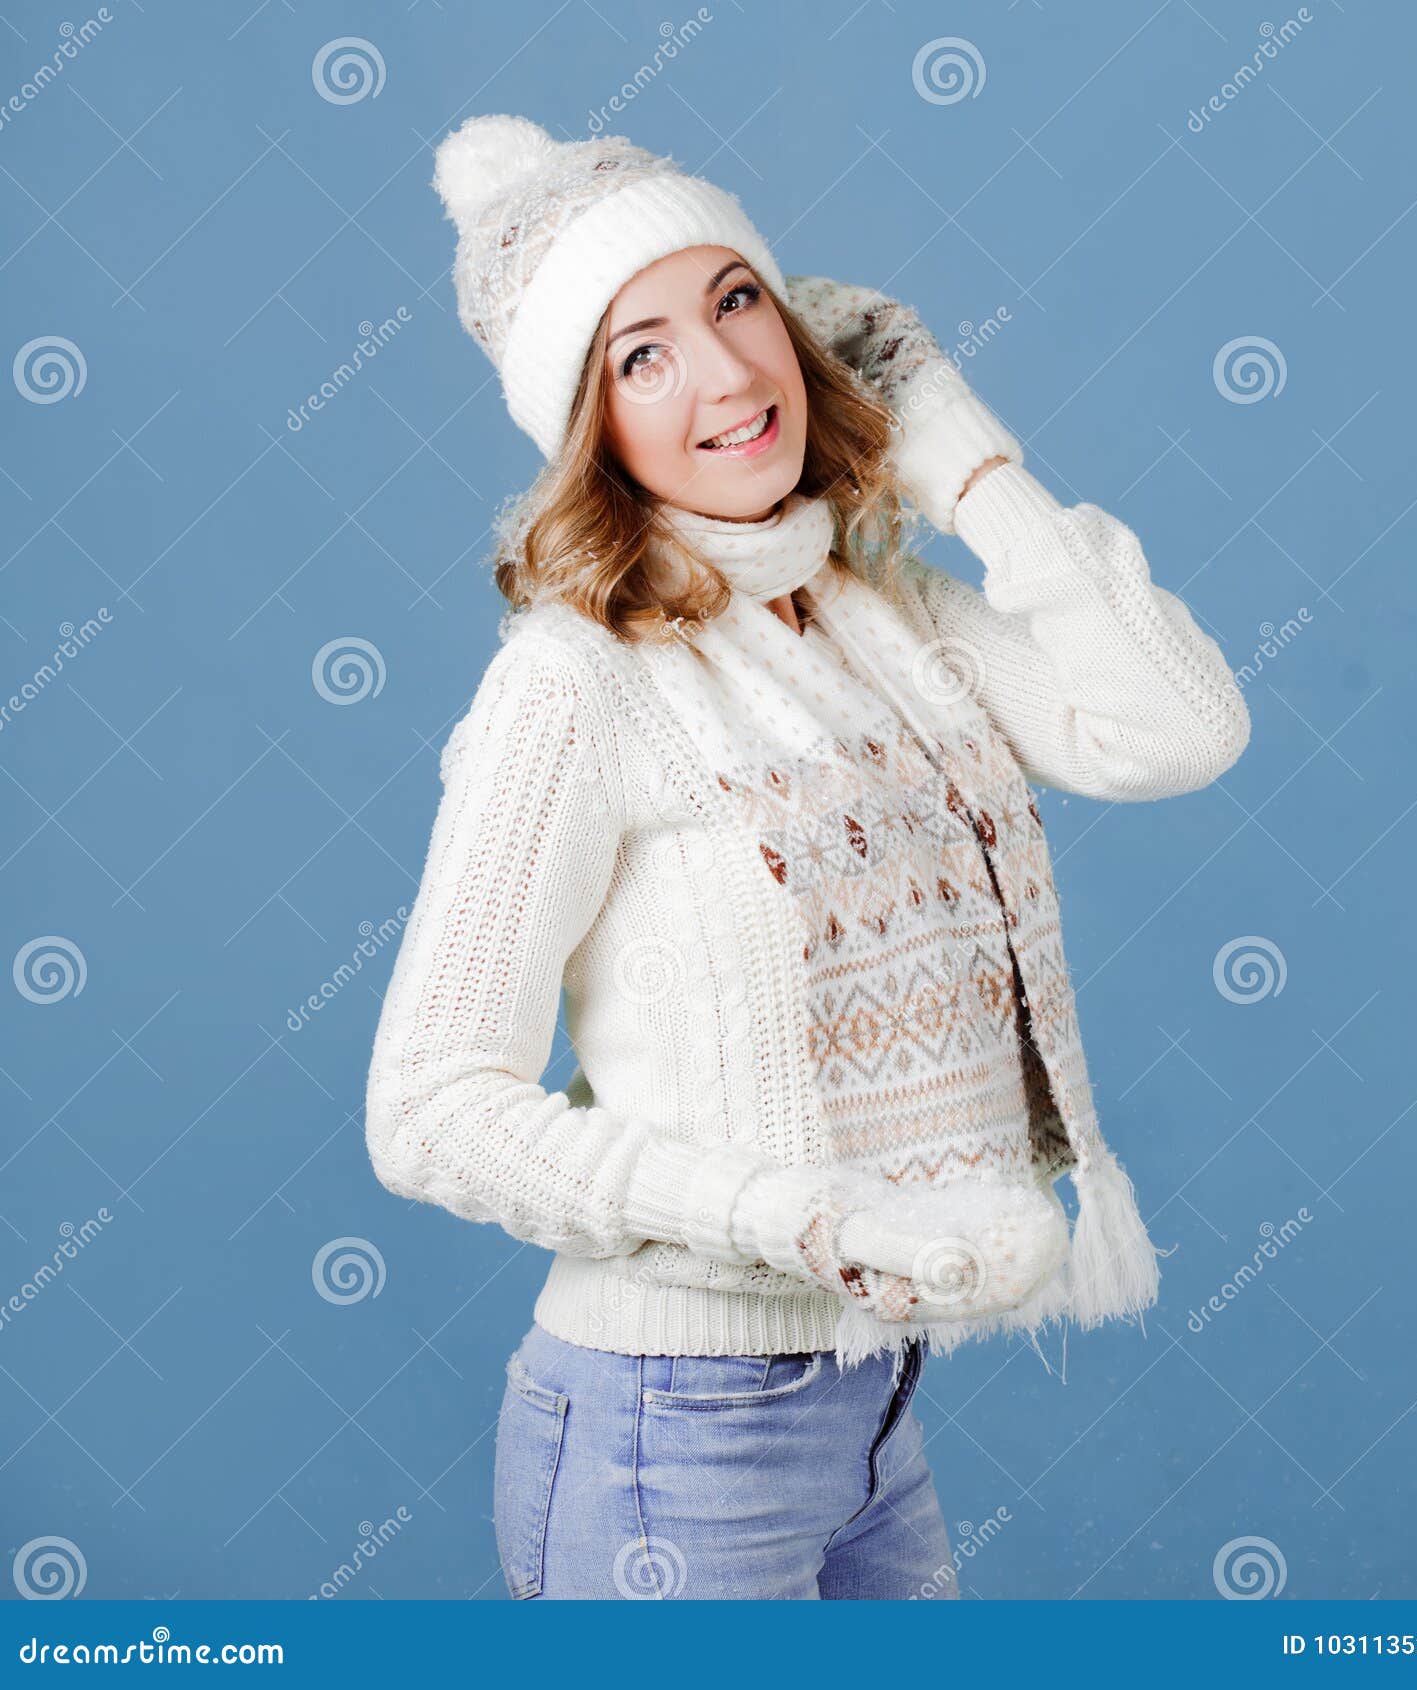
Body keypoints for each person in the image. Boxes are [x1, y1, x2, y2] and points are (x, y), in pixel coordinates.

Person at [364, 114, 1252, 1600]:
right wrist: (811, 1221)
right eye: (640, 354)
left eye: (735, 300)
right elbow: (429, 1109)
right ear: (589, 426)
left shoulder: (874, 611)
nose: (723, 374)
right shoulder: (578, 681)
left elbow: (1174, 727)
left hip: (867, 1408)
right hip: (668, 1429)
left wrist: (966, 460)